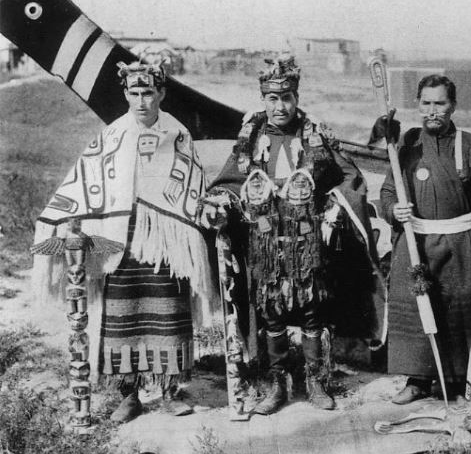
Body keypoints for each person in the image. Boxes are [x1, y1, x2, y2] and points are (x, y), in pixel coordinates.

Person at [33, 59, 212, 422]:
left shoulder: (177, 134)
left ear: (161, 92)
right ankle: (128, 394)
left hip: (165, 243)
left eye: (149, 92)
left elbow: (194, 189)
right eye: (135, 93)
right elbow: (85, 181)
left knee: (168, 310)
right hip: (120, 241)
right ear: (125, 94)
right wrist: (65, 217)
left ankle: (170, 389)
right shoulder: (112, 136)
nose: (142, 100)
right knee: (122, 314)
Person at [203, 57, 381, 414]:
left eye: (286, 98)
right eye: (271, 98)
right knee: (272, 312)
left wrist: (335, 207)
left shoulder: (313, 135)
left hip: (306, 238)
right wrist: (220, 204)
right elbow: (229, 182)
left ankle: (315, 381)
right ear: (263, 99)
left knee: (313, 310)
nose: (279, 106)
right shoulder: (252, 136)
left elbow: (347, 177)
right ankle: (276, 383)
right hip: (266, 239)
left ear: (296, 97)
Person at [380, 74, 471, 404]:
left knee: (457, 312)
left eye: (440, 103)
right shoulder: (406, 145)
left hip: (460, 242)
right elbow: (388, 191)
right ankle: (417, 380)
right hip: (416, 241)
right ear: (418, 104)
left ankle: (458, 383)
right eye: (426, 103)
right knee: (418, 310)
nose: (433, 111)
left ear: (453, 106)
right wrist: (394, 210)